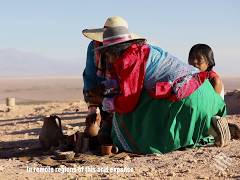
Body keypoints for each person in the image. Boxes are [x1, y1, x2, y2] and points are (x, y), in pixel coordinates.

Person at [95, 25, 230, 154]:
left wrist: (106, 101)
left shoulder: (129, 60)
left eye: (107, 54)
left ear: (115, 51)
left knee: (134, 110)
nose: (108, 59)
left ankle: (134, 143)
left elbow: (128, 100)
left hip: (187, 96)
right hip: (206, 94)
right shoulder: (146, 50)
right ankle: (211, 128)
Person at [82, 16, 143, 145]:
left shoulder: (129, 51)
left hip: (122, 93)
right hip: (103, 89)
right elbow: (90, 76)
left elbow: (128, 85)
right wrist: (92, 108)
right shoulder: (94, 46)